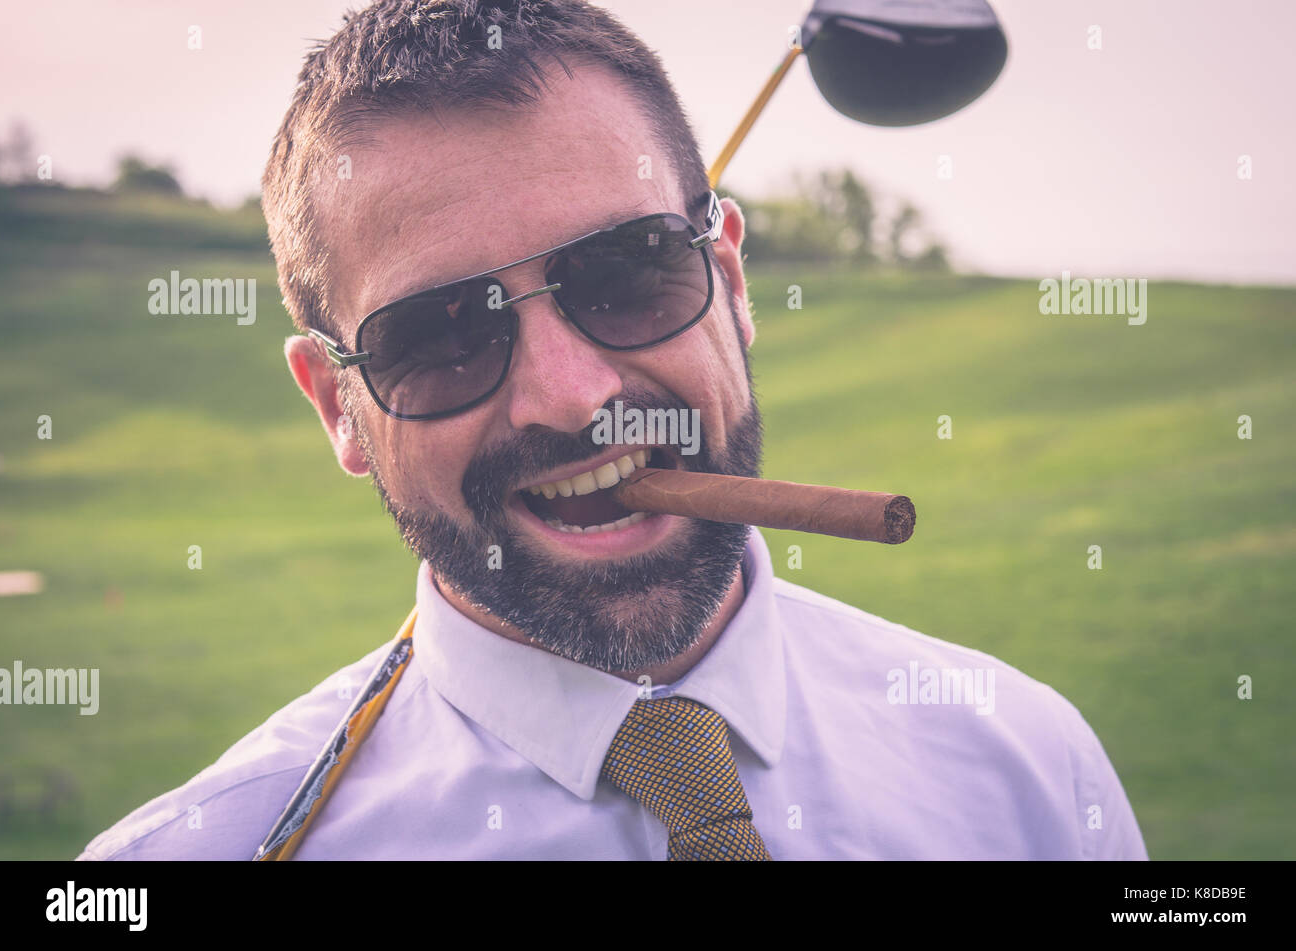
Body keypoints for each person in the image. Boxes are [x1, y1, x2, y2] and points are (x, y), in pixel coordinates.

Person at [78, 0, 1147, 861]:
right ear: (335, 407)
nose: (571, 395)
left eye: (627, 271)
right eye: (440, 334)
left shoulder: (1024, 765)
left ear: (727, 281)